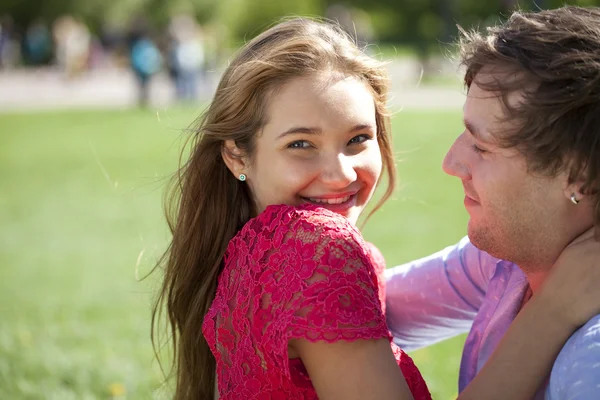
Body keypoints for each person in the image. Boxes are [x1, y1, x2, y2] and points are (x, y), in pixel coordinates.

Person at [151, 17, 600, 400]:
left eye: (358, 139)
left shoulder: (257, 250)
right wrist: (554, 312)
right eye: (301, 144)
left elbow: (396, 302)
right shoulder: (315, 250)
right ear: (237, 156)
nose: (340, 174)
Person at [385, 6, 600, 399]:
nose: (451, 164)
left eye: (482, 146)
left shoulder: (593, 361)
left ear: (579, 175)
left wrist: (552, 315)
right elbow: (361, 311)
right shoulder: (509, 259)